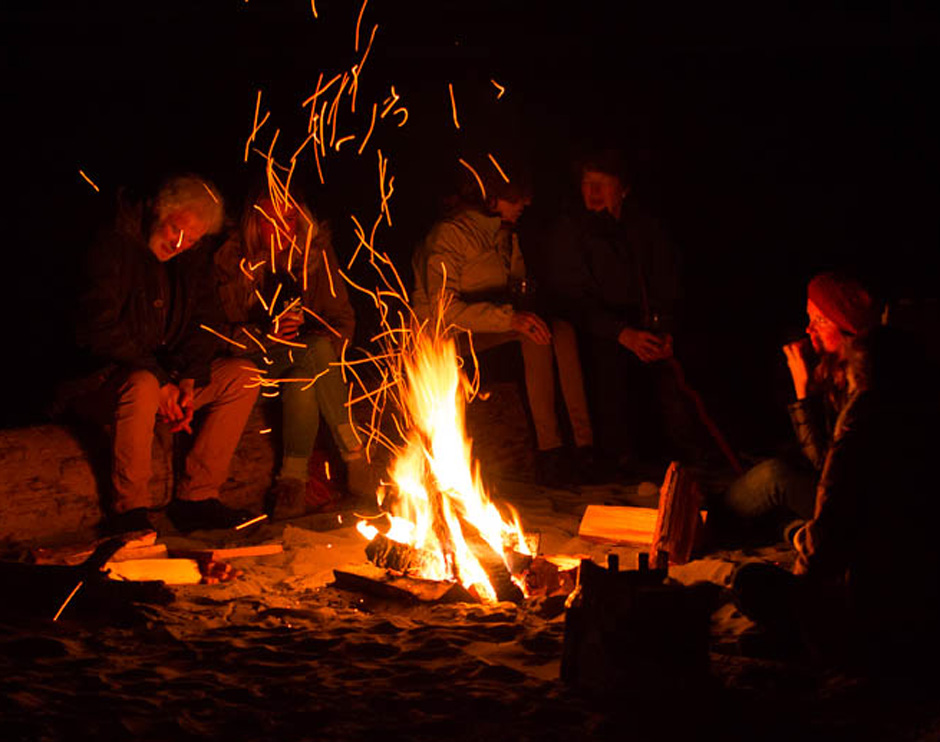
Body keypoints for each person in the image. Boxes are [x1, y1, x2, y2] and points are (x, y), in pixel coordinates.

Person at [732, 325, 940, 673]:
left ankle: (808, 641)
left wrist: (803, 586)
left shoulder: (861, 426)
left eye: (818, 320)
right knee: (787, 515)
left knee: (750, 581)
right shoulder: (924, 416)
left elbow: (830, 528)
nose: (809, 329)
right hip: (923, 607)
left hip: (873, 613)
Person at [74, 174, 261, 535]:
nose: (180, 243)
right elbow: (97, 329)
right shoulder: (113, 245)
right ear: (160, 212)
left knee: (243, 375)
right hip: (101, 384)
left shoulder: (192, 256)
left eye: (191, 239)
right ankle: (130, 511)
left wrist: (189, 380)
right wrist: (161, 383)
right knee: (143, 384)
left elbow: (205, 322)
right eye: (176, 231)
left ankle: (197, 498)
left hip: (165, 381)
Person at [411, 172, 594, 485]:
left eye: (524, 197)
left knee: (560, 330)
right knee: (532, 336)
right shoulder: (449, 236)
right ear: (490, 198)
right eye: (515, 198)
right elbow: (445, 311)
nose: (524, 204)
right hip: (448, 339)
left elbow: (515, 288)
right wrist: (510, 319)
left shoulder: (505, 235)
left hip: (492, 329)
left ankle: (584, 445)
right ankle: (549, 451)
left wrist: (523, 303)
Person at [213, 188, 373, 519]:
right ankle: (356, 460)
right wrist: (264, 335)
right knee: (312, 356)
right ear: (254, 221)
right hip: (250, 365)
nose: (282, 228)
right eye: (271, 219)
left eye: (288, 218)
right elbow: (212, 335)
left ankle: (292, 488)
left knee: (308, 365)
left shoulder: (315, 254)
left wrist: (326, 341)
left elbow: (343, 319)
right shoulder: (228, 261)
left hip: (307, 365)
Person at [542, 149, 700, 478]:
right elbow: (572, 298)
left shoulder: (645, 227)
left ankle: (680, 451)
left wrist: (664, 328)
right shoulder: (571, 229)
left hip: (641, 322)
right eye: (588, 184)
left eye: (603, 184)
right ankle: (618, 457)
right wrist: (621, 333)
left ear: (624, 189)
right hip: (595, 329)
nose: (593, 193)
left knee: (677, 356)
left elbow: (667, 282)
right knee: (606, 360)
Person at [712, 272, 882, 545]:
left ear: (847, 329)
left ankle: (710, 524)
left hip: (859, 505)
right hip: (838, 494)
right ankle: (791, 531)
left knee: (773, 477)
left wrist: (802, 391)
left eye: (821, 321)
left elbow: (827, 466)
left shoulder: (867, 381)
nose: (809, 330)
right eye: (809, 318)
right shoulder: (834, 367)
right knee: (769, 476)